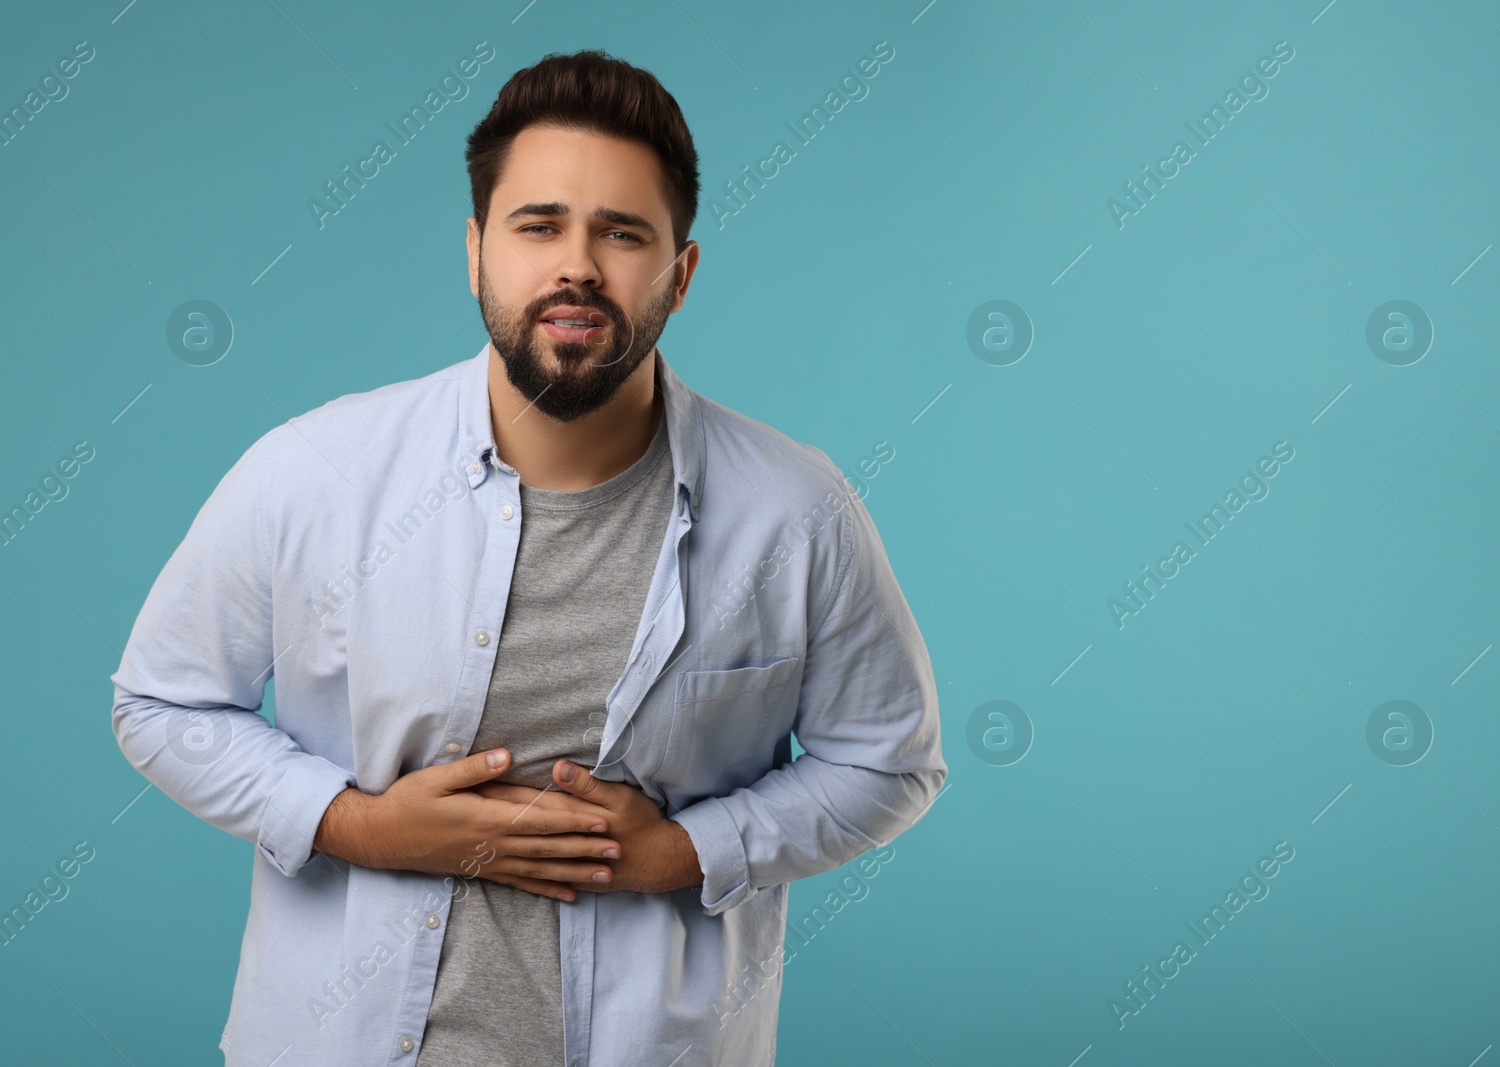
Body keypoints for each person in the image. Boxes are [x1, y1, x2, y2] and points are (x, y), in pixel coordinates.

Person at [110, 48, 945, 1067]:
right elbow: (159, 702)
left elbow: (890, 760)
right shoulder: (315, 472)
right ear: (475, 252)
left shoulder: (796, 511)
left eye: (622, 233)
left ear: (679, 275)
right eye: (538, 224)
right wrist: (357, 826)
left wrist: (679, 851)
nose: (578, 265)